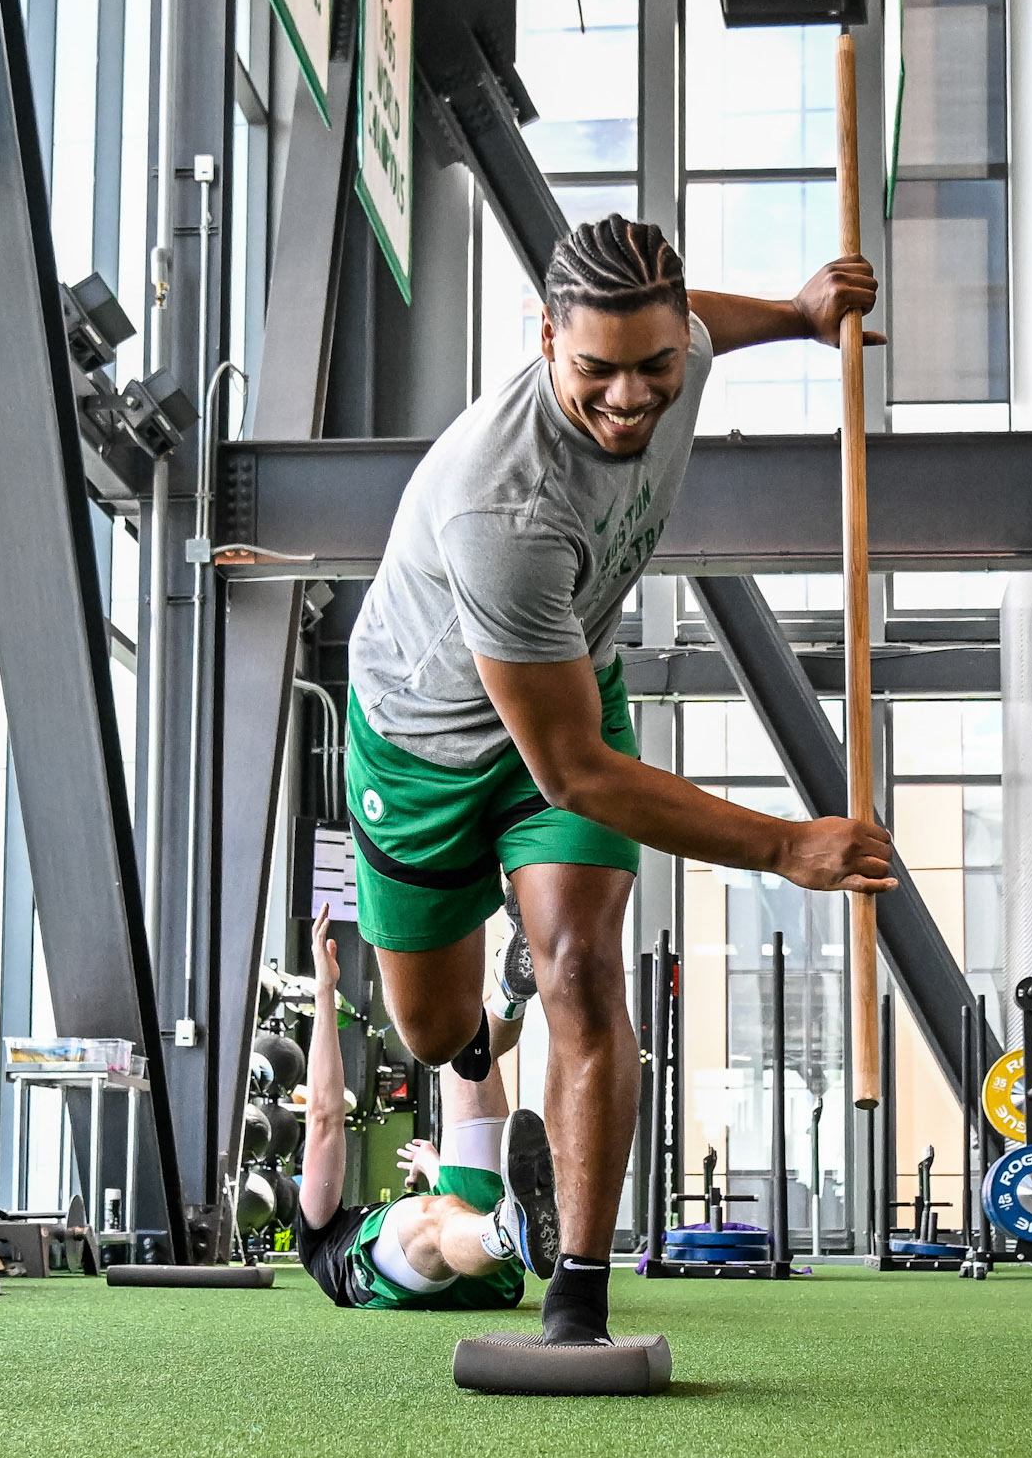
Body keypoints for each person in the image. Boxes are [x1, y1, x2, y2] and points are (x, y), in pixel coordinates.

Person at [345, 215, 897, 1345]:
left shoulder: (672, 355)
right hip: (429, 745)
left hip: (569, 689)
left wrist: (796, 315)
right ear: (546, 337)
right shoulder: (502, 506)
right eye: (597, 369)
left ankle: (577, 1297)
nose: (633, 399)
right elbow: (578, 772)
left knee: (587, 973)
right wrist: (787, 845)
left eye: (657, 366)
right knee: (429, 1025)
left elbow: (706, 326)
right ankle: (485, 1021)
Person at [295, 905, 557, 1310]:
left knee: (462, 1052)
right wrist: (324, 992)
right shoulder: (325, 1242)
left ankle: (509, 992)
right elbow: (325, 1118)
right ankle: (508, 1229)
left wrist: (435, 1168)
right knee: (436, 1214)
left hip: (488, 1267)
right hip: (435, 1265)